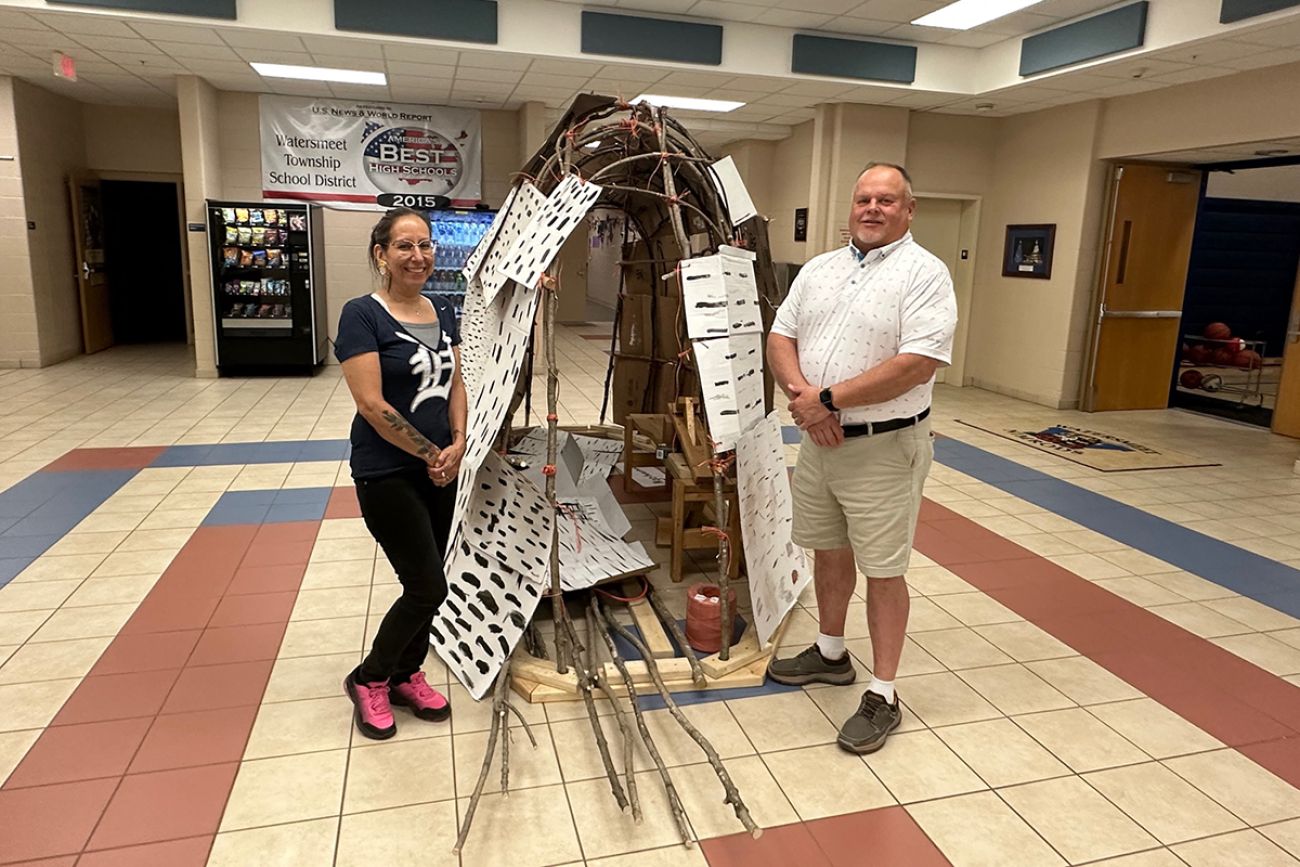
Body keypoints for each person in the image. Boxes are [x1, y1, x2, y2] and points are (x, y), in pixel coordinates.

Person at [766, 163, 957, 755]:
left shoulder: (925, 274)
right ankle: (830, 653)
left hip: (884, 445)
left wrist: (825, 401)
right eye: (863, 199)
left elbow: (917, 363)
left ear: (909, 209)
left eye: (886, 200)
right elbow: (781, 336)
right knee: (828, 550)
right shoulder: (820, 269)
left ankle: (885, 692)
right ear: (851, 207)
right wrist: (806, 400)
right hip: (819, 443)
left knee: (883, 569)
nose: (872, 208)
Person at [335, 206, 468, 740]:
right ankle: (369, 678)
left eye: (426, 245)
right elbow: (372, 403)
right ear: (381, 255)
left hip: (440, 467)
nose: (418, 256)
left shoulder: (442, 309)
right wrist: (430, 454)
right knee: (425, 584)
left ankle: (407, 673)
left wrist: (458, 443)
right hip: (387, 469)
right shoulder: (361, 314)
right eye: (404, 246)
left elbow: (458, 381)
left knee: (431, 583)